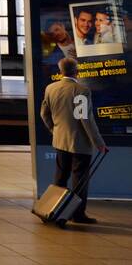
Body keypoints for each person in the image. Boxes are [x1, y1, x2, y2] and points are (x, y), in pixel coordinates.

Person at [40, 57, 109, 225]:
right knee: (80, 180)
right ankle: (77, 214)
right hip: (79, 143)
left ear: (61, 71)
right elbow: (85, 119)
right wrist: (99, 143)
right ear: (76, 71)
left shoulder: (51, 88)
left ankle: (52, 210)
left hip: (60, 141)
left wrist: (54, 130)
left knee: (60, 177)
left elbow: (44, 114)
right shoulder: (81, 90)